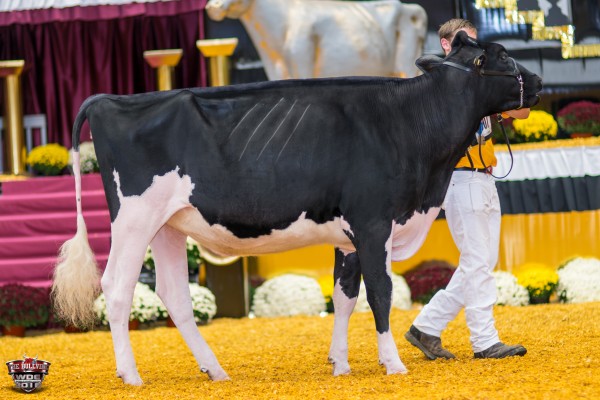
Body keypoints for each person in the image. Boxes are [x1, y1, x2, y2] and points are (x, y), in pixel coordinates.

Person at [405, 19, 530, 360]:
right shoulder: (437, 83)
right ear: (446, 45)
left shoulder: (479, 81)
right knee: (477, 260)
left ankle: (426, 326)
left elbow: (522, 111)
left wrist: (510, 86)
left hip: (484, 175)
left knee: (483, 260)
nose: (473, 49)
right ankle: (484, 340)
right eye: (465, 42)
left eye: (475, 42)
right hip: (461, 176)